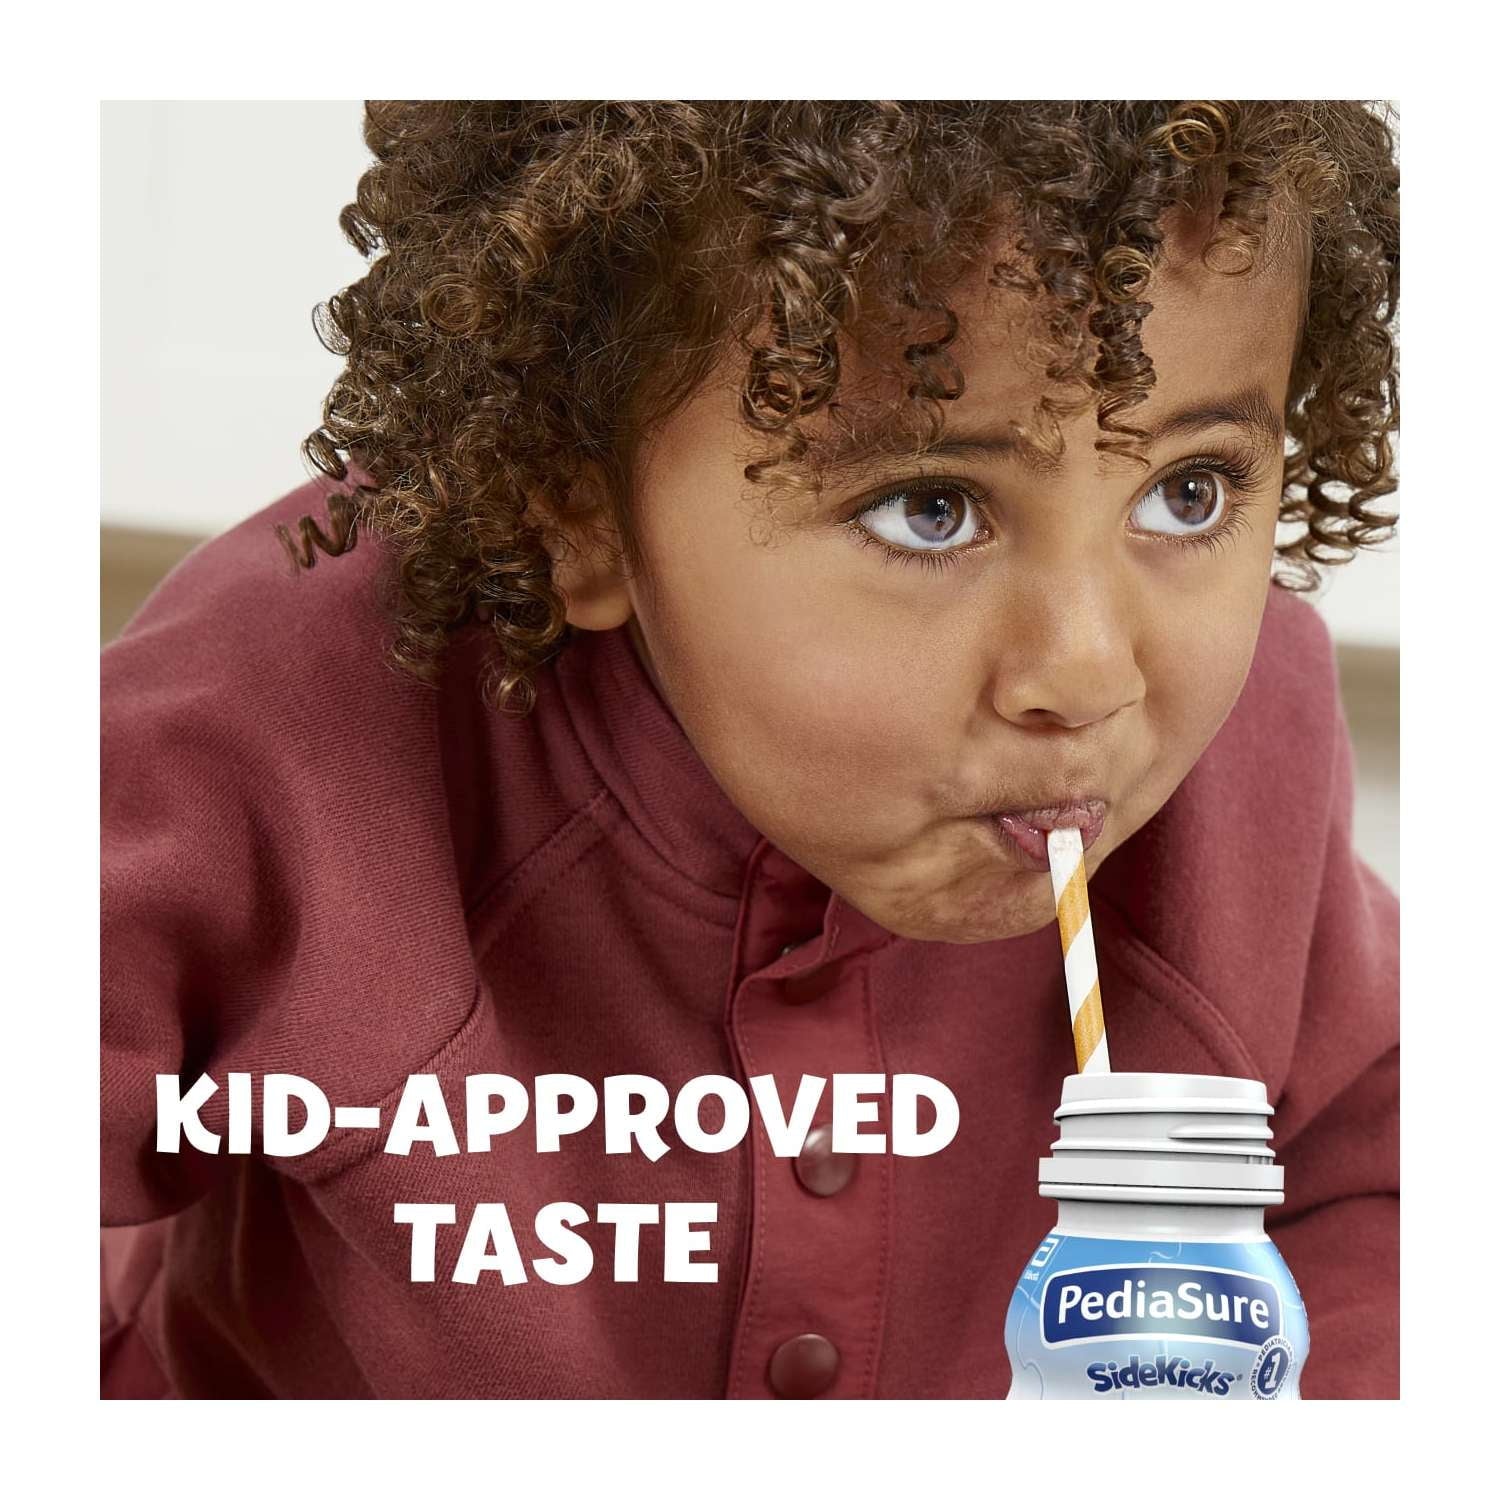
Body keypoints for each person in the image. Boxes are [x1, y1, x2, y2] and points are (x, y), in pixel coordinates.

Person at [101, 100, 1400, 1398]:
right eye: (931, 509)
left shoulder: (1249, 755)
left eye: (1191, 491)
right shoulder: (277, 714)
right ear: (578, 504)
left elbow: (1385, 1174)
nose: (1089, 674)